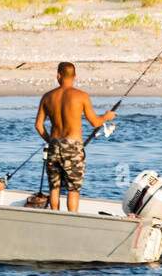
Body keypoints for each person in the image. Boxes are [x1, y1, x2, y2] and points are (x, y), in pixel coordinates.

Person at [34, 62, 116, 212]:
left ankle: (54, 217)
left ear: (58, 75)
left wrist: (51, 141)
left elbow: (39, 126)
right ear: (75, 76)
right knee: (73, 189)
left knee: (54, 188)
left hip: (54, 144)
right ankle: (72, 218)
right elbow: (95, 122)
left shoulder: (47, 97)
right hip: (73, 146)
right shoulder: (81, 96)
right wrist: (107, 116)